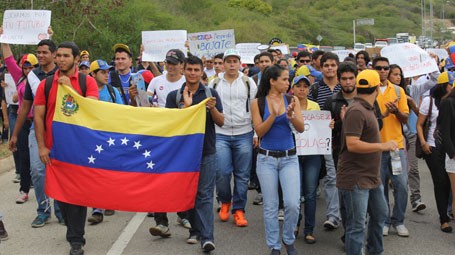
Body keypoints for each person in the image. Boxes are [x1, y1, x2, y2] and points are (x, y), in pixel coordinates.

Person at [34, 41, 99, 255]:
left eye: (66, 56)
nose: (61, 59)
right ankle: (73, 231)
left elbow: (90, 109)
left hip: (79, 150)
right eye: (59, 55)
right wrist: (42, 146)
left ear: (75, 59)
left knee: (76, 196)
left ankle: (76, 240)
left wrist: (69, 88)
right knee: (61, 198)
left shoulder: (86, 81)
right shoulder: (45, 84)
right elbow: (39, 116)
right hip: (54, 150)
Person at [166, 55, 224, 252]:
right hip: (183, 154)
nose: (192, 73)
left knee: (205, 195)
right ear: (183, 70)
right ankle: (195, 230)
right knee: (188, 194)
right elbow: (170, 125)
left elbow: (221, 121)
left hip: (207, 151)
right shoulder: (173, 96)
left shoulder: (211, 94)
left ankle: (207, 238)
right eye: (189, 69)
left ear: (201, 72)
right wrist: (187, 108)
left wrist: (213, 108)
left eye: (196, 70)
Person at [337, 69, 397, 255]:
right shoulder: (356, 110)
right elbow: (352, 145)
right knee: (356, 227)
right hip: (356, 178)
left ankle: (374, 251)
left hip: (370, 176)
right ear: (378, 87)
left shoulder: (366, 108)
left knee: (380, 214)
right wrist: (383, 146)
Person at [9, 39, 62, 228]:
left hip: (60, 129)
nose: (40, 55)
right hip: (36, 129)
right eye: (38, 52)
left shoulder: (62, 74)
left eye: (44, 52)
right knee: (38, 172)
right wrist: (14, 135)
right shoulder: (32, 75)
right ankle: (43, 210)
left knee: (59, 170)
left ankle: (61, 210)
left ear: (54, 54)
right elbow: (25, 107)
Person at [251, 64, 304, 255]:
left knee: (292, 203)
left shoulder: (292, 99)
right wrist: (273, 115)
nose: (287, 82)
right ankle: (274, 245)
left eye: (288, 79)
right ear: (272, 81)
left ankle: (288, 239)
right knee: (271, 206)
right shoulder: (257, 102)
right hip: (266, 160)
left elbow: (301, 128)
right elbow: (260, 131)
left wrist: (290, 116)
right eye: (284, 79)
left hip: (289, 158)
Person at [210, 49, 257, 227]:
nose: (231, 64)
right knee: (221, 172)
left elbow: (255, 107)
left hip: (243, 132)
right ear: (223, 63)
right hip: (220, 133)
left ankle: (239, 209)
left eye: (234, 61)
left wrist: (256, 132)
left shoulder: (248, 82)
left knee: (242, 175)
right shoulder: (214, 83)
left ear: (240, 63)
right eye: (228, 61)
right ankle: (225, 202)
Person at [373, 57, 410, 237]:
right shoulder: (369, 91)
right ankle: (384, 220)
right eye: (379, 68)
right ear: (373, 69)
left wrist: (395, 111)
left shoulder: (398, 90)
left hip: (396, 147)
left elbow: (405, 118)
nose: (382, 71)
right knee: (380, 188)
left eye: (385, 68)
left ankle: (399, 220)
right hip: (377, 147)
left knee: (401, 185)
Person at [86, 59, 124, 225]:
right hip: (93, 137)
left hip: (110, 138)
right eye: (102, 72)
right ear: (92, 74)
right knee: (95, 173)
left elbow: (122, 112)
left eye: (108, 72)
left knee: (109, 172)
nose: (106, 75)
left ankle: (109, 200)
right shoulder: (85, 91)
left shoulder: (112, 91)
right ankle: (97, 209)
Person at [308, 52, 342, 230]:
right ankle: (333, 215)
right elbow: (308, 111)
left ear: (337, 67)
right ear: (321, 68)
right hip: (319, 138)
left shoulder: (344, 87)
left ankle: (338, 214)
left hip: (340, 138)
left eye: (332, 65)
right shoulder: (314, 88)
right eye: (326, 65)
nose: (329, 68)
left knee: (339, 175)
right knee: (329, 176)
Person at [1, 40, 38, 204]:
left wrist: (48, 37)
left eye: (32, 67)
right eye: (26, 67)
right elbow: (8, 60)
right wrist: (4, 40)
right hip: (24, 121)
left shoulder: (43, 77)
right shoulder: (19, 78)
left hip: (41, 122)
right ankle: (24, 189)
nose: (29, 71)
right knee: (24, 155)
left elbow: (53, 58)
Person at [418, 72, 453, 233]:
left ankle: (449, 210)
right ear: (443, 85)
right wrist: (423, 142)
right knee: (441, 182)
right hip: (433, 147)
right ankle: (443, 219)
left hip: (449, 147)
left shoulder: (452, 102)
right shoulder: (429, 102)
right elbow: (420, 124)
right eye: (450, 84)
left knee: (449, 182)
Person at [292, 75, 324, 244]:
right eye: (299, 86)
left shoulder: (315, 106)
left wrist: (328, 126)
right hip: (293, 154)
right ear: (293, 89)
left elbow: (320, 129)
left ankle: (309, 229)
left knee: (310, 193)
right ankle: (295, 224)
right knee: (295, 193)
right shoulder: (288, 105)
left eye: (305, 86)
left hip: (312, 153)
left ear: (309, 89)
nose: (302, 89)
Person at [437, 73, 455, 232]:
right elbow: (446, 131)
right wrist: (452, 153)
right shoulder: (448, 103)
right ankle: (445, 217)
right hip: (453, 155)